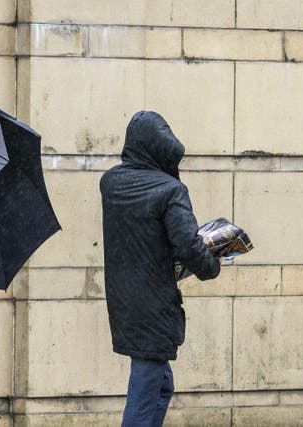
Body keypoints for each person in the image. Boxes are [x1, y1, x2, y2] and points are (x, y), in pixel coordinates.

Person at [99, 111, 220, 427]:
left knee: (161, 385)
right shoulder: (169, 191)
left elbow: (146, 233)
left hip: (124, 298)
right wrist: (212, 264)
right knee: (145, 393)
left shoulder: (111, 183)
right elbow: (187, 244)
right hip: (154, 301)